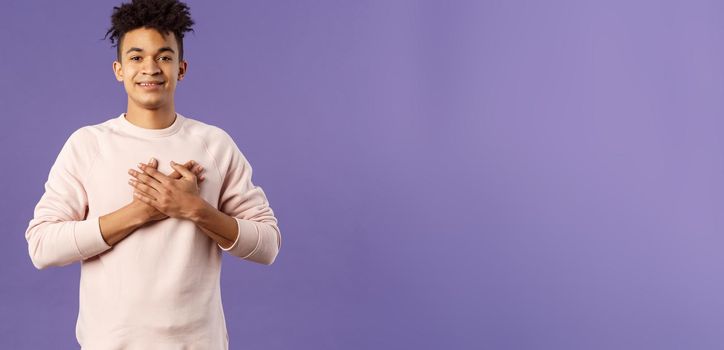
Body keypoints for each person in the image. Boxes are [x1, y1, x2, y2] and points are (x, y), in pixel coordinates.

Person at [24, 0, 282, 348]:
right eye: (136, 57)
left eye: (164, 56)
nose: (151, 68)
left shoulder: (214, 145)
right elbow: (41, 247)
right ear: (118, 69)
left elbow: (268, 246)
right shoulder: (88, 145)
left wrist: (195, 209)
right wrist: (140, 212)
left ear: (182, 68)